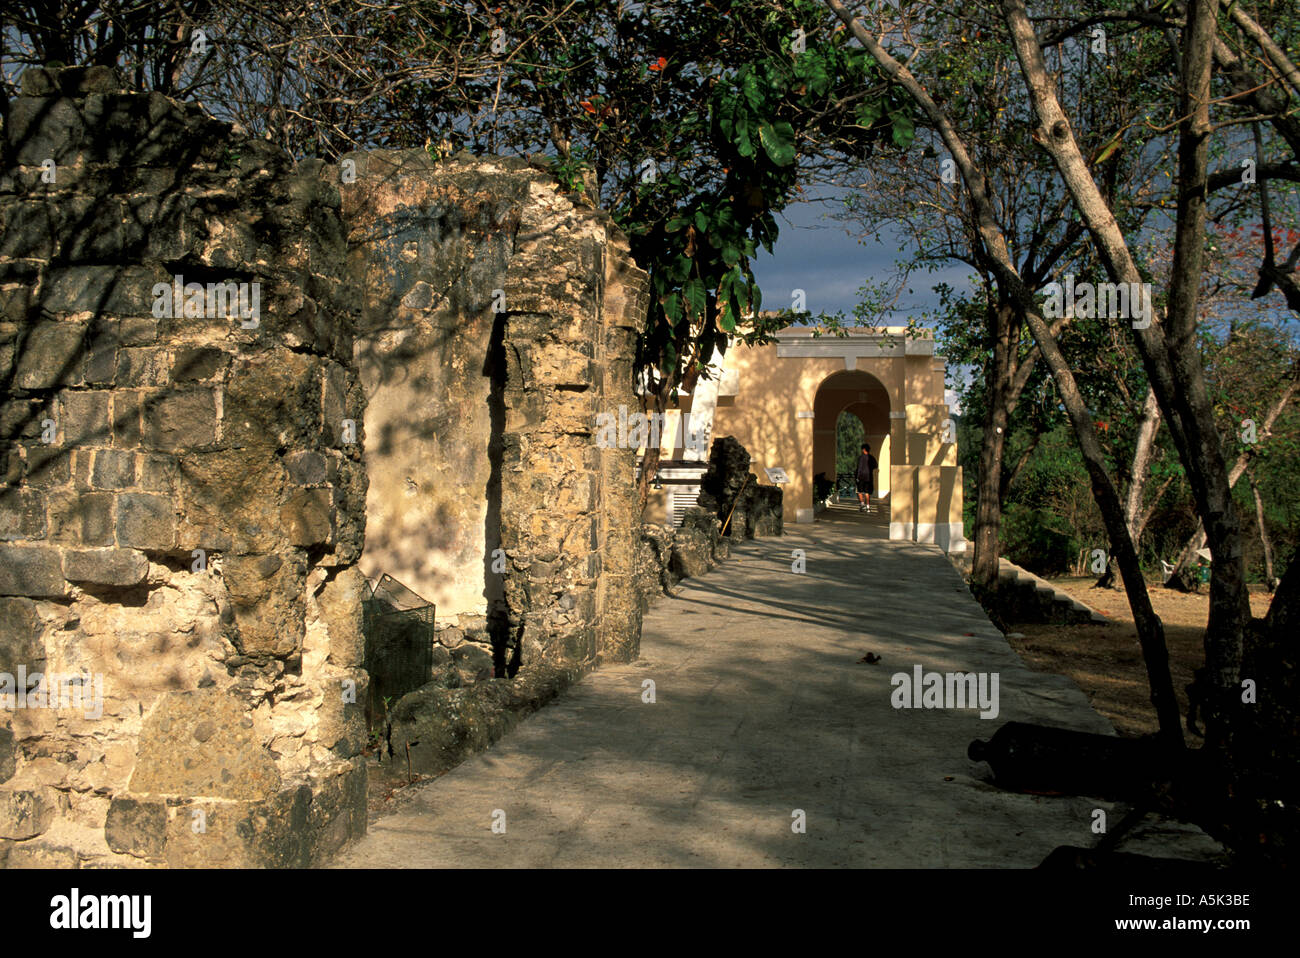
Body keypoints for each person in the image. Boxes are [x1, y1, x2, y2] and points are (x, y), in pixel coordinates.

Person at [856, 443, 878, 513]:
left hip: (861, 476)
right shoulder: (872, 457)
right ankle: (868, 507)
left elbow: (859, 468)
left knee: (859, 491)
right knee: (867, 492)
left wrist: (857, 476)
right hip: (869, 477)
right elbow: (876, 466)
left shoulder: (861, 458)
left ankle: (862, 505)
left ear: (863, 449)